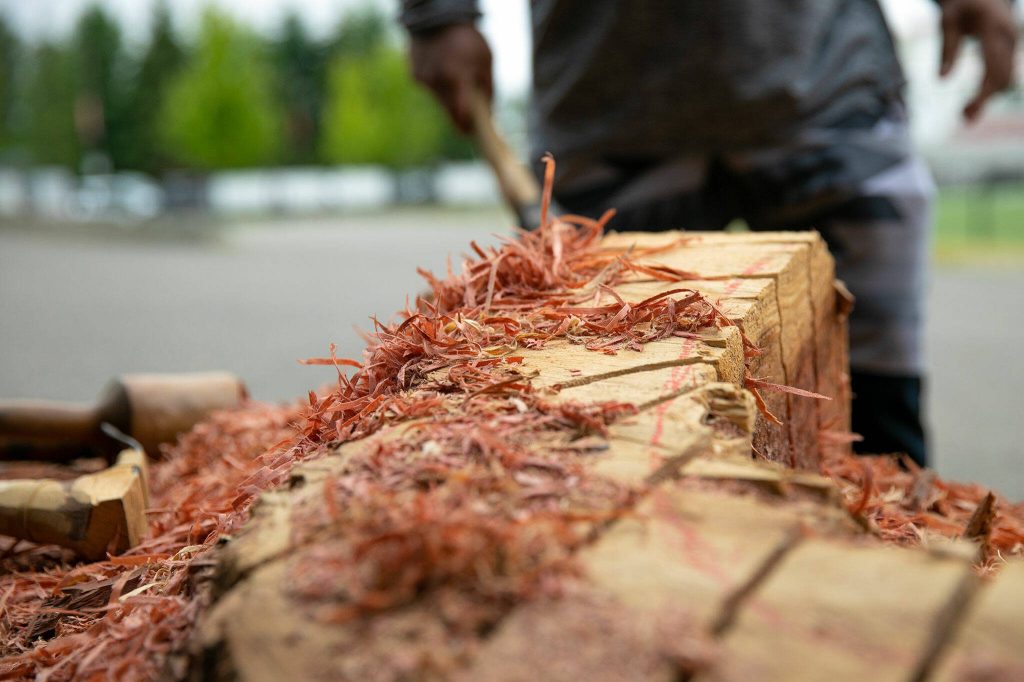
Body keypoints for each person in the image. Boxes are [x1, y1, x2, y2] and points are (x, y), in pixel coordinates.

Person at [400, 0, 1017, 468]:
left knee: (878, 435)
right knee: (607, 429)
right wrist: (436, 13)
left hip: (829, 98)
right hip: (607, 120)